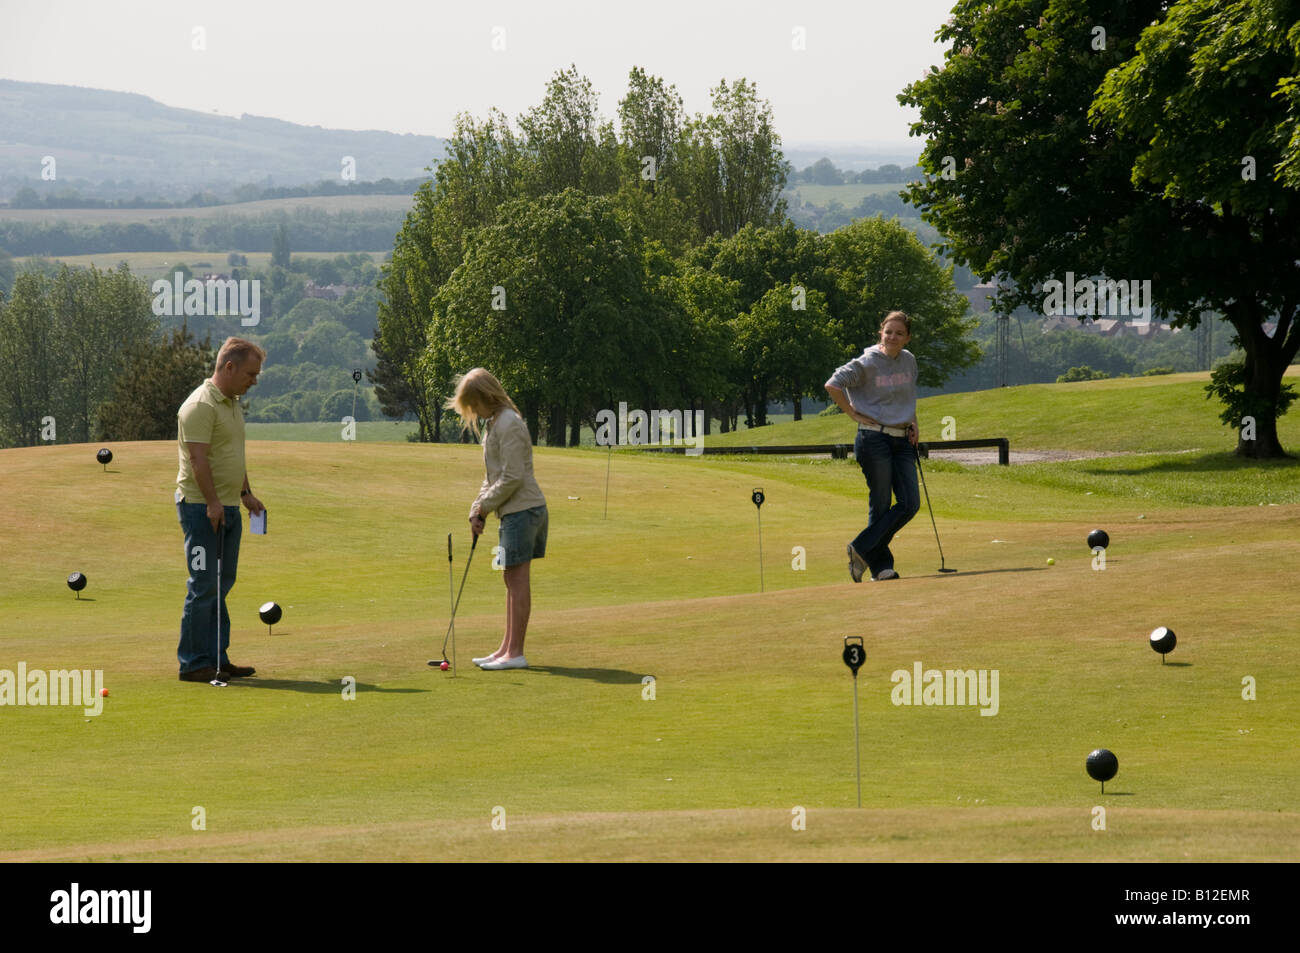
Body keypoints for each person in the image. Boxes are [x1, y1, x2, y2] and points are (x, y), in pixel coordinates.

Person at [174, 337, 266, 681]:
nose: (253, 381)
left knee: (222, 582)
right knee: (203, 584)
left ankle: (217, 657)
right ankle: (194, 662)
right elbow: (198, 461)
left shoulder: (231, 403)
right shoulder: (200, 406)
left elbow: (231, 454)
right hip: (201, 509)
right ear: (229, 367)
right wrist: (213, 502)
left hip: (225, 506)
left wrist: (245, 493)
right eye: (250, 374)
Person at [447, 368, 548, 671]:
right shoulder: (496, 424)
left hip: (524, 511)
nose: (474, 413)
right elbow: (492, 476)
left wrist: (486, 508)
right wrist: (477, 508)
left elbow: (513, 477)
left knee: (517, 580)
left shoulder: (509, 424)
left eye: (474, 405)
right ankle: (505, 648)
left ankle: (515, 652)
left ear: (486, 397)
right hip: (514, 511)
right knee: (510, 578)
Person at [825, 311, 921, 582]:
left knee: (910, 503)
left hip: (902, 439)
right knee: (880, 505)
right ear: (881, 332)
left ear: (908, 338)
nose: (893, 337)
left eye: (899, 333)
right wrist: (852, 414)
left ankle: (861, 548)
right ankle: (881, 568)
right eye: (888, 331)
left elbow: (907, 396)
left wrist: (913, 423)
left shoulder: (909, 361)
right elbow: (833, 385)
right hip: (873, 439)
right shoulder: (867, 362)